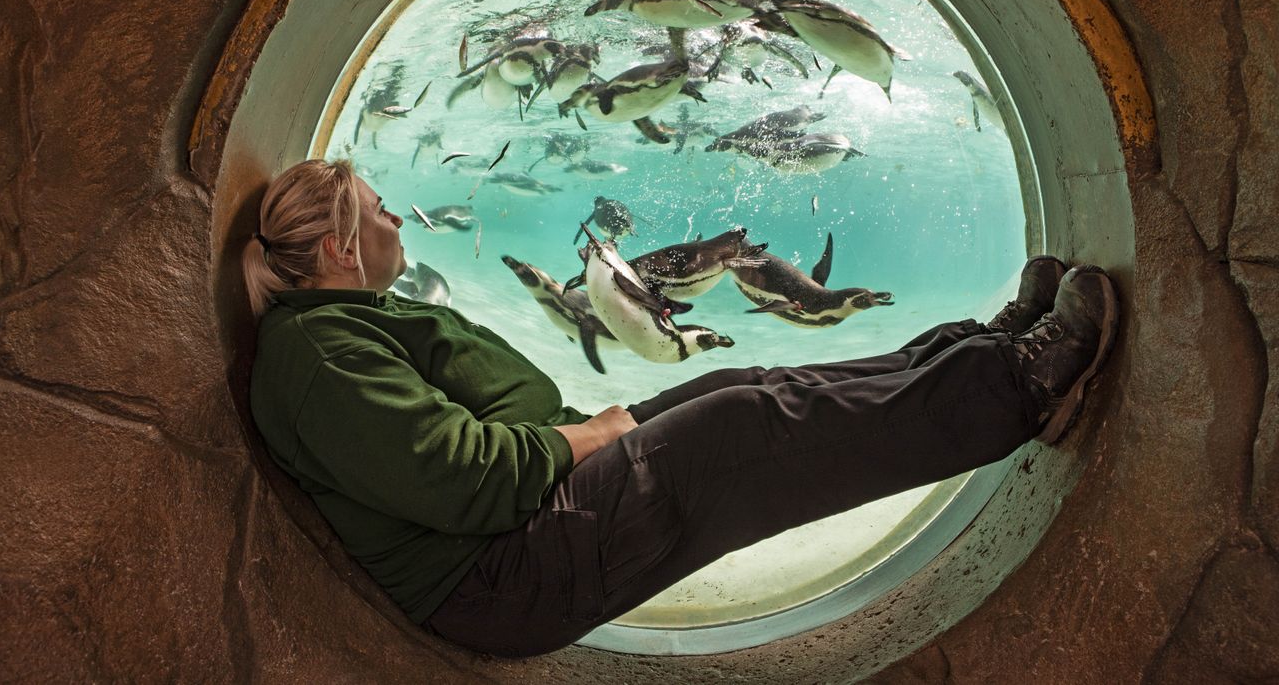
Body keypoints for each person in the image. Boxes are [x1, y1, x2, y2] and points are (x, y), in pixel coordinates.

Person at [242, 158, 1120, 658]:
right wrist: (587, 434)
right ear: (336, 245)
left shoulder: (342, 319)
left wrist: (584, 431)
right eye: (376, 210)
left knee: (743, 389)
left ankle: (977, 352)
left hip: (523, 518)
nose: (398, 214)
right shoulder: (317, 357)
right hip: (500, 573)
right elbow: (461, 478)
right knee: (740, 434)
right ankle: (1016, 390)